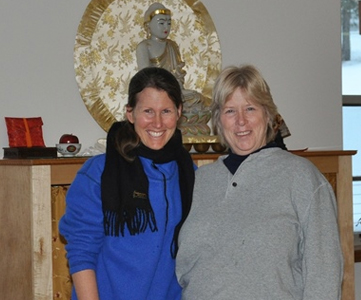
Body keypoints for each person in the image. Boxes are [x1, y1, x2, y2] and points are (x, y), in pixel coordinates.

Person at [175, 65, 343, 300]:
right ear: (218, 120)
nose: (241, 121)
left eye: (250, 108)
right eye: (230, 111)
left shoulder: (303, 178)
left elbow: (324, 275)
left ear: (267, 114)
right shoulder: (199, 181)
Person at [59, 67, 195, 300]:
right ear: (130, 114)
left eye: (166, 111)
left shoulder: (188, 172)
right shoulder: (98, 172)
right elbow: (82, 251)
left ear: (179, 112)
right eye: (148, 111)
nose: (158, 122)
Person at [136, 2, 212, 136]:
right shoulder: (144, 47)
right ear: (148, 25)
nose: (166, 27)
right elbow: (145, 78)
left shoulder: (172, 46)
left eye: (169, 23)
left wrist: (178, 90)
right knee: (154, 108)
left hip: (175, 93)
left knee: (196, 98)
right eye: (161, 23)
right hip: (155, 96)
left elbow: (177, 74)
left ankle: (177, 118)